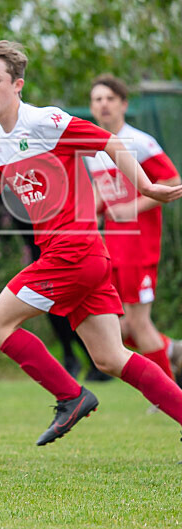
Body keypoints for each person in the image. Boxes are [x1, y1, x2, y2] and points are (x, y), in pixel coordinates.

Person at [0, 41, 182, 447]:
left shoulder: (46, 121)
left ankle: (71, 396)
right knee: (110, 357)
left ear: (18, 84)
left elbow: (112, 143)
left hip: (75, 251)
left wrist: (147, 187)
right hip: (80, 256)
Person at [85, 74, 182, 383]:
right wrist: (86, 214)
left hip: (140, 245)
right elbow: (104, 192)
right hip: (113, 244)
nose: (103, 104)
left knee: (138, 325)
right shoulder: (95, 150)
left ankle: (168, 396)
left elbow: (172, 181)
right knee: (124, 329)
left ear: (124, 104)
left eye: (110, 98)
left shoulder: (139, 142)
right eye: (97, 99)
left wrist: (134, 207)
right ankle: (173, 351)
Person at [0, 197, 110, 381]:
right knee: (53, 308)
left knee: (66, 307)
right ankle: (73, 359)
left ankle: (91, 362)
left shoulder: (45, 171)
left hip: (66, 247)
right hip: (41, 248)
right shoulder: (4, 173)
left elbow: (84, 188)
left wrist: (91, 224)